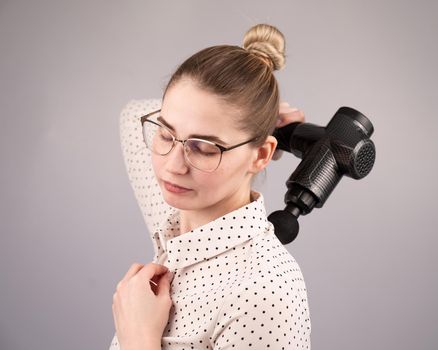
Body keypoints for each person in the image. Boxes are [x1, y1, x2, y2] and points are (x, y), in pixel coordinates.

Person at [110, 23, 311, 350]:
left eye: (203, 147)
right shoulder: (175, 217)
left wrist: (139, 339)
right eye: (165, 133)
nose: (173, 165)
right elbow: (134, 116)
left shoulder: (265, 293)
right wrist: (262, 112)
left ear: (260, 155)